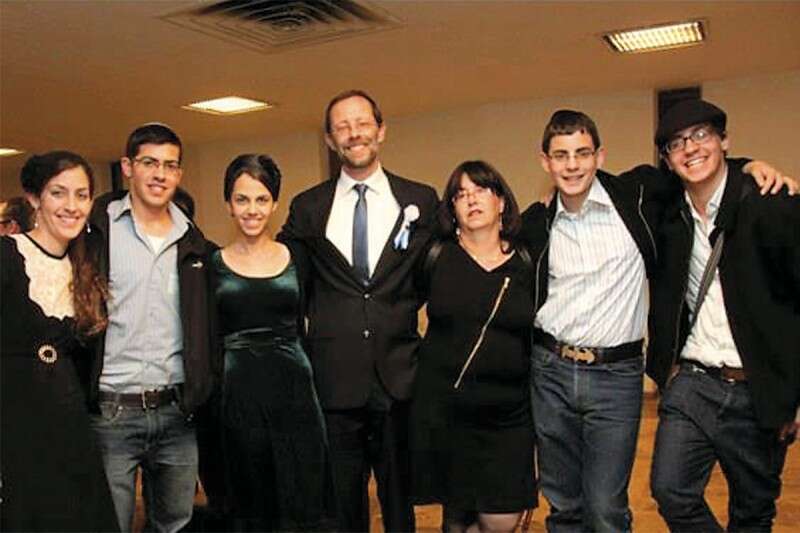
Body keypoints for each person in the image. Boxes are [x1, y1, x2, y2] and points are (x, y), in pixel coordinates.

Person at [520, 110, 793, 533]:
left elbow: (702, 167)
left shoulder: (637, 197)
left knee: (607, 510)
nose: (572, 165)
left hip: (617, 376)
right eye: (561, 155)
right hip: (552, 371)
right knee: (565, 504)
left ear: (599, 156)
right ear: (545, 162)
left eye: (582, 153)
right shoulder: (536, 223)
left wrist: (749, 167)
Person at [279, 89, 439, 532]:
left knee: (400, 509)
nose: (354, 133)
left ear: (381, 130)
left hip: (398, 379)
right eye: (342, 127)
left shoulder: (421, 200)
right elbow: (287, 283)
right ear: (330, 140)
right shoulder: (308, 207)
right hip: (333, 383)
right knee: (342, 512)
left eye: (362, 123)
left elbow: (440, 278)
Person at [647, 99, 800, 532]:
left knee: (752, 513)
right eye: (677, 143)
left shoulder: (772, 205)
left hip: (758, 390)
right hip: (692, 382)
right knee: (671, 492)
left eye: (701, 135)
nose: (690, 148)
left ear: (724, 141)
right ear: (668, 160)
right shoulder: (668, 213)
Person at [86, 123, 215, 533]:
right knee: (110, 524)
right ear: (128, 167)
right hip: (112, 412)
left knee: (174, 524)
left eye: (170, 165)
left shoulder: (194, 243)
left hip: (176, 412)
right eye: (149, 163)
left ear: (179, 174)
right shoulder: (96, 232)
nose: (160, 174)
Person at [210, 154, 336, 530]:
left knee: (302, 492)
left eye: (261, 199)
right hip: (239, 395)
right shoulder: (210, 263)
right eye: (242, 199)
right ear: (228, 204)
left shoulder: (298, 257)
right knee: (252, 497)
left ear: (275, 203)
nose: (252, 210)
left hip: (295, 391)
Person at [410, 160, 537, 533]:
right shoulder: (435, 256)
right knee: (456, 517)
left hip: (510, 417)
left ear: (501, 201)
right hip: (447, 414)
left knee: (502, 519)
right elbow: (397, 310)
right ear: (452, 209)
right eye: (460, 194)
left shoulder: (527, 259)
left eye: (481, 190)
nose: (471, 199)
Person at [0, 151, 118, 531]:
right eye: (58, 193)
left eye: (82, 195)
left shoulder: (87, 270)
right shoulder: (6, 256)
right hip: (13, 427)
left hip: (69, 428)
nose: (71, 206)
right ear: (34, 198)